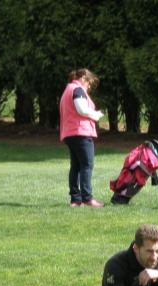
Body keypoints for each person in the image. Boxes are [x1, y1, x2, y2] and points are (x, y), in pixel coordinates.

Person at [59, 69, 105, 207]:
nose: (89, 87)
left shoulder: (68, 89)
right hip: (81, 132)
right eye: (89, 83)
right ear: (84, 78)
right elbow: (81, 110)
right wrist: (95, 115)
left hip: (69, 133)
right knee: (87, 164)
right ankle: (87, 198)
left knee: (76, 165)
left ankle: (75, 199)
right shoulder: (77, 90)